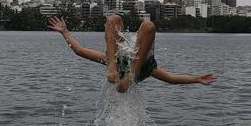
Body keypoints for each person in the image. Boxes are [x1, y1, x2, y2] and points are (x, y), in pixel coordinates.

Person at [48, 15, 216, 93]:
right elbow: (80, 51)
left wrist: (197, 79)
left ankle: (131, 73)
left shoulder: (147, 66)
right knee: (114, 19)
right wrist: (64, 32)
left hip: (137, 67)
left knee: (148, 25)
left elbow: (172, 79)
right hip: (119, 66)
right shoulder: (112, 57)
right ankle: (119, 70)